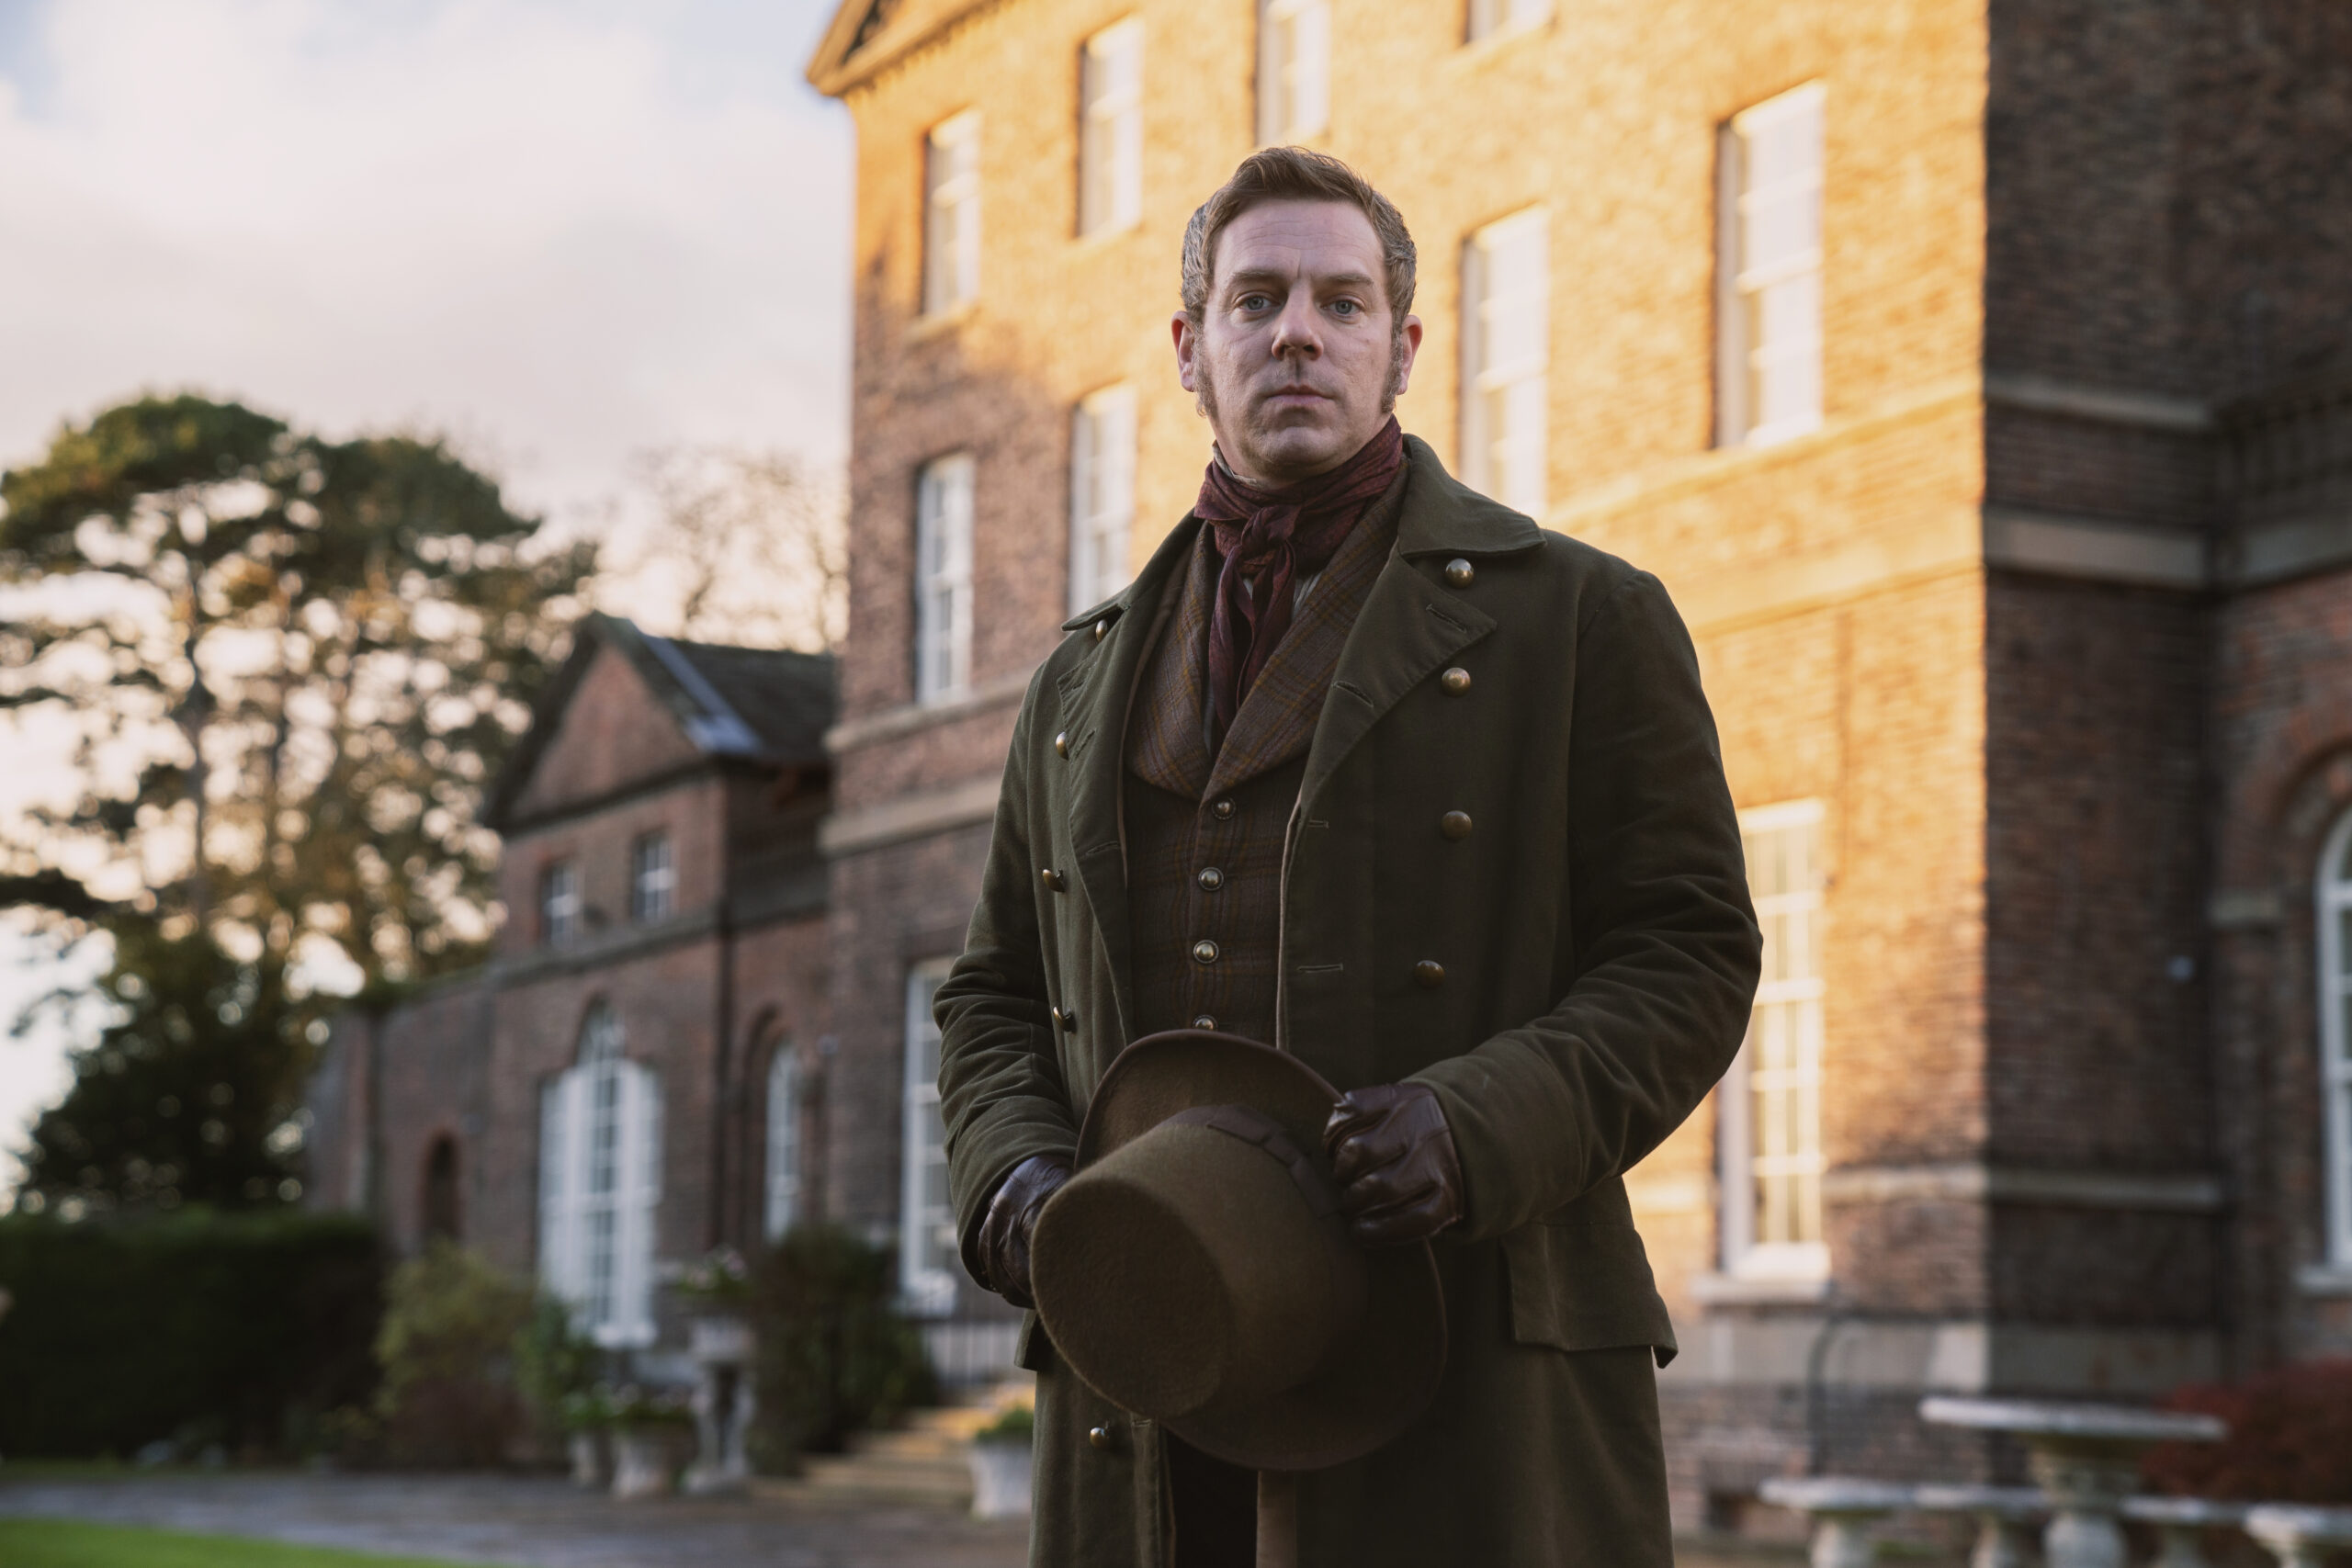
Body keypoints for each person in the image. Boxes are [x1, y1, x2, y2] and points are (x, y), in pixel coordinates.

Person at [934, 145, 1762, 1568]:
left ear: (1405, 346)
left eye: (1340, 300)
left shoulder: (1580, 619)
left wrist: (1476, 1124)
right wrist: (1009, 1175)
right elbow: (995, 994)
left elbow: (1689, 953)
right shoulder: (1075, 683)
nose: (1298, 332)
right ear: (1192, 352)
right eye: (1255, 301)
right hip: (1147, 1365)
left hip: (1464, 1364)